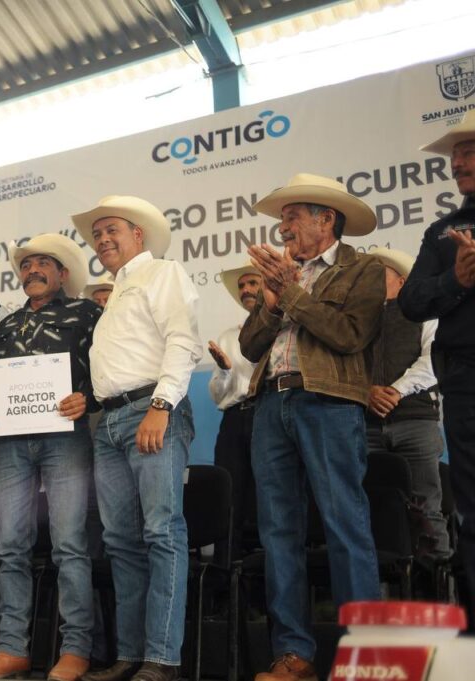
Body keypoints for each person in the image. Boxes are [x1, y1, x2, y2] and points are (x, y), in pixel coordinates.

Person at [241, 174, 384, 681]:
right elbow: (250, 347)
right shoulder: (281, 276)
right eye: (282, 219)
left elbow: (349, 335)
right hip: (270, 404)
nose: (282, 228)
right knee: (278, 532)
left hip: (329, 403)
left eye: (292, 217)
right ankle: (294, 654)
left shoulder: (363, 269)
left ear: (327, 219)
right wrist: (272, 300)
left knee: (345, 524)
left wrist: (290, 292)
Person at [73, 195, 201, 681]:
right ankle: (129, 656)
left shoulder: (162, 273)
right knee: (121, 542)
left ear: (138, 235)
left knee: (162, 532)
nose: (103, 240)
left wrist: (161, 406)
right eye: (97, 235)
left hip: (150, 411)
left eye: (113, 231)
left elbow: (182, 341)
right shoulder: (117, 292)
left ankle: (162, 660)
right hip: (108, 423)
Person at [0, 234, 101, 681]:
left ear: (62, 273)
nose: (33, 270)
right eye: (26, 265)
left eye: (44, 263)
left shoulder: (87, 312)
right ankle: (11, 650)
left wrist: (88, 398)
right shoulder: (6, 322)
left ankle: (76, 649)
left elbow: (108, 369)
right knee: (11, 547)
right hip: (9, 444)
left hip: (66, 439)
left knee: (70, 545)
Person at [399, 110, 475, 625]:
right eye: (454, 155)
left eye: (469, 152)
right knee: (471, 509)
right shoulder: (443, 233)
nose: (457, 163)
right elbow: (412, 301)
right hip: (466, 382)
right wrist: (457, 281)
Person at [366, 247, 448, 559]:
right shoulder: (359, 322)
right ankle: (385, 584)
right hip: (367, 425)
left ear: (401, 281)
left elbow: (433, 360)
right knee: (372, 508)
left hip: (416, 421)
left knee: (426, 509)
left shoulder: (427, 313)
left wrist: (394, 391)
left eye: (379, 274)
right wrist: (366, 392)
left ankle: (435, 583)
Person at [208, 263, 262, 562]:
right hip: (232, 420)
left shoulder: (283, 330)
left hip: (266, 416)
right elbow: (218, 395)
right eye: (242, 286)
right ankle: (225, 571)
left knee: (265, 496)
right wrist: (226, 370)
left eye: (253, 283)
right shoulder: (229, 337)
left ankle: (262, 572)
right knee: (228, 497)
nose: (245, 290)